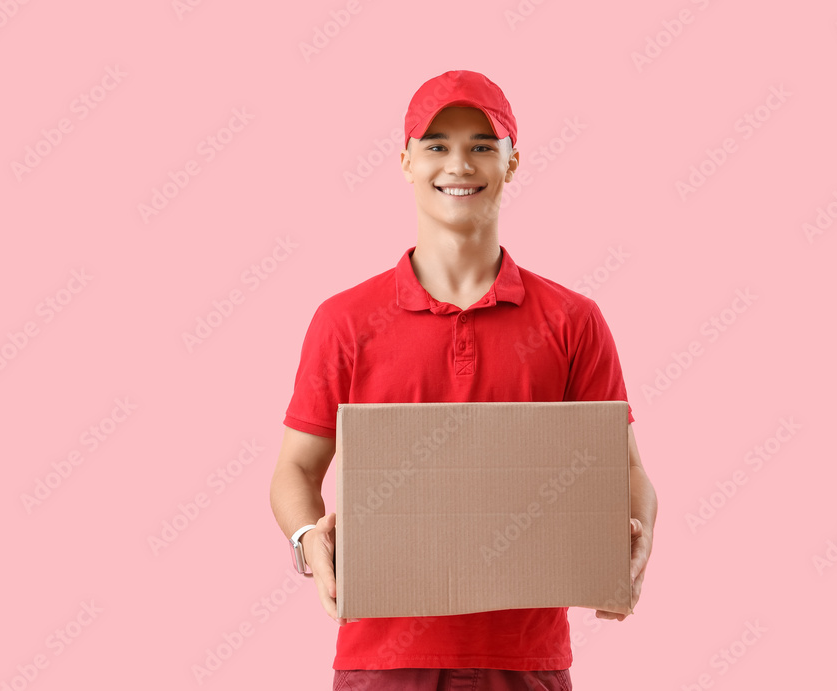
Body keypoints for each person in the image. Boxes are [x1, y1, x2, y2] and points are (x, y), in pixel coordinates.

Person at [269, 69, 657, 691]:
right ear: (405, 161)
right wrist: (307, 538)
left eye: (482, 144)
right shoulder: (345, 320)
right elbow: (295, 468)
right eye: (436, 145)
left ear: (512, 161)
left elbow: (625, 468)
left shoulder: (571, 320)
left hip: (525, 661)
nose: (460, 164)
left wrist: (638, 538)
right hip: (382, 661)